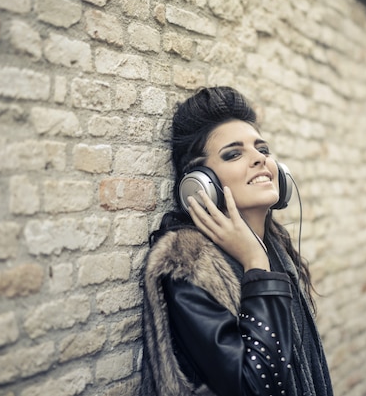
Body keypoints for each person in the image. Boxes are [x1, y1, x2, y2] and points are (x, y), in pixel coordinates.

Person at [140, 86, 333, 396]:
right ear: (200, 184)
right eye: (234, 153)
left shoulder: (278, 247)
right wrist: (255, 264)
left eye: (263, 149)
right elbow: (256, 386)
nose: (259, 159)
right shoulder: (188, 267)